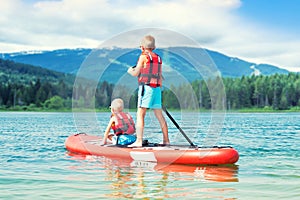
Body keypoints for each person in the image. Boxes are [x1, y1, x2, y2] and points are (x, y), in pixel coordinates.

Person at [127, 35, 170, 147]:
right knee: (160, 116)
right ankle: (166, 140)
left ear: (142, 47)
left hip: (146, 88)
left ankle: (139, 141)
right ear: (154, 47)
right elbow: (160, 77)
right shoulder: (159, 58)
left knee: (140, 114)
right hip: (157, 90)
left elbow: (136, 73)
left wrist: (130, 71)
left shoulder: (143, 57)